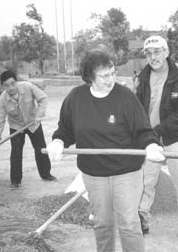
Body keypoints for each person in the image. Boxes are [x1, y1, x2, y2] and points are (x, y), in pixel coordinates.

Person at [46, 48, 165, 252]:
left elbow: (143, 129)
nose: (110, 80)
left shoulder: (125, 97)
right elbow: (66, 129)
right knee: (102, 224)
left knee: (129, 224)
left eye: (113, 73)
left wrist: (151, 145)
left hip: (126, 172)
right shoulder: (76, 98)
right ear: (90, 77)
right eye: (104, 76)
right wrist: (58, 141)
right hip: (94, 174)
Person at [135, 35, 178, 243]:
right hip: (150, 139)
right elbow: (135, 109)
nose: (153, 57)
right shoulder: (141, 78)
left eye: (157, 52)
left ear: (166, 52)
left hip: (175, 137)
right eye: (149, 53)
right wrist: (145, 134)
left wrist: (161, 129)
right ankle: (142, 219)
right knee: (145, 180)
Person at [0, 70, 56, 190]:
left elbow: (43, 98)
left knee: (41, 149)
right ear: (2, 85)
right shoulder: (2, 99)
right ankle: (15, 181)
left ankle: (46, 174)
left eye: (12, 83)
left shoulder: (28, 86)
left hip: (33, 123)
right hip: (16, 126)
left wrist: (39, 115)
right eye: (7, 85)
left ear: (16, 81)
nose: (11, 87)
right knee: (16, 152)